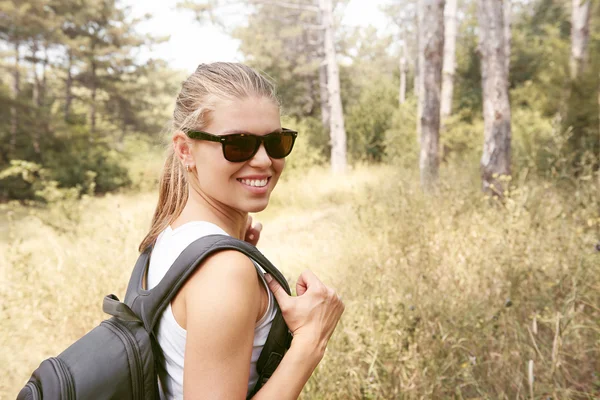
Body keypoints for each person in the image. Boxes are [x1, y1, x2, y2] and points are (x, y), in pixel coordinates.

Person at [138, 62, 345, 399]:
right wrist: (311, 341)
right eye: (238, 144)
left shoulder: (169, 234)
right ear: (185, 149)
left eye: (276, 142)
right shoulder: (223, 270)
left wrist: (231, 245)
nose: (264, 160)